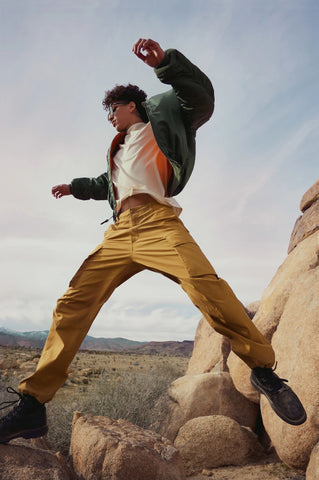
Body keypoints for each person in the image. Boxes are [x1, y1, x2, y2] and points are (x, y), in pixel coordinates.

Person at [0, 38, 306, 443]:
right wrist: (73, 187)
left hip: (160, 224)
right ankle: (33, 405)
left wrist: (165, 63)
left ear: (131, 105)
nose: (110, 117)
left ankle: (264, 370)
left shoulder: (167, 114)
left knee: (206, 288)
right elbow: (107, 185)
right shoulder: (118, 148)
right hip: (120, 231)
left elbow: (202, 98)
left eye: (113, 109)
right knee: (72, 304)